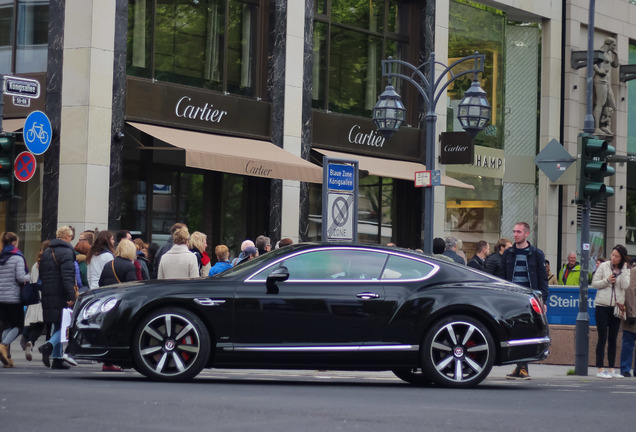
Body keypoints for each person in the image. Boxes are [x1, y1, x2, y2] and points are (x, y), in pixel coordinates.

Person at [503, 222, 548, 380]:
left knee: (526, 331)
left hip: (529, 298)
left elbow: (542, 279)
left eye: (519, 232)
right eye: (514, 231)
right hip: (511, 297)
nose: (515, 234)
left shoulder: (536, 254)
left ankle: (523, 368)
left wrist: (543, 300)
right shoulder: (508, 253)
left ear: (526, 234)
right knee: (514, 331)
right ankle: (520, 367)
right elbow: (503, 277)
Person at [38, 226, 77, 370]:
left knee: (58, 323)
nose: (71, 238)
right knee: (66, 325)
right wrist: (70, 295)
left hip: (48, 292)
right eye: (71, 236)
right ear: (67, 236)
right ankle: (48, 345)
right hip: (61, 292)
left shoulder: (47, 251)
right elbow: (67, 276)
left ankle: (56, 358)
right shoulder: (67, 251)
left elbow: (42, 273)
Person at [591, 244, 630, 379]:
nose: (613, 258)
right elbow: (594, 283)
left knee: (613, 338)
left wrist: (624, 269)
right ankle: (600, 369)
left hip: (616, 307)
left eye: (617, 256)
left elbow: (625, 285)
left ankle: (612, 369)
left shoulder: (625, 269)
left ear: (622, 258)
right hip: (602, 305)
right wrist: (607, 281)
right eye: (612, 255)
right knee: (602, 337)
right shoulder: (604, 266)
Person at [0, 232, 31, 368]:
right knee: (18, 326)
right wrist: (29, 277)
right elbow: (20, 277)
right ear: (14, 243)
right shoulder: (17, 257)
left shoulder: (1, 256)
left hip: (1, 298)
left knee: (7, 325)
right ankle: (3, 345)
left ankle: (4, 349)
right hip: (13, 298)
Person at [19, 240, 49, 362]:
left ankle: (26, 340)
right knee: (40, 324)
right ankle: (30, 342)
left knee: (31, 322)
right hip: (43, 298)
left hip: (34, 297)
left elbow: (31, 280)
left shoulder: (35, 265)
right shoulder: (48, 264)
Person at [593, 37, 619, 135]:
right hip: (600, 80)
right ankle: (597, 128)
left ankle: (603, 123)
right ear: (609, 43)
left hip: (606, 81)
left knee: (611, 104)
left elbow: (615, 65)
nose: (615, 47)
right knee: (601, 102)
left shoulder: (608, 54)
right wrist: (599, 71)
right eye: (614, 45)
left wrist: (616, 55)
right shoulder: (600, 52)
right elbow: (592, 62)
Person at [620, 266, 636, 377]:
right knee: (628, 342)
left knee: (628, 342)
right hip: (633, 314)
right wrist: (631, 313)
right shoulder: (634, 271)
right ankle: (625, 368)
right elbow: (630, 291)